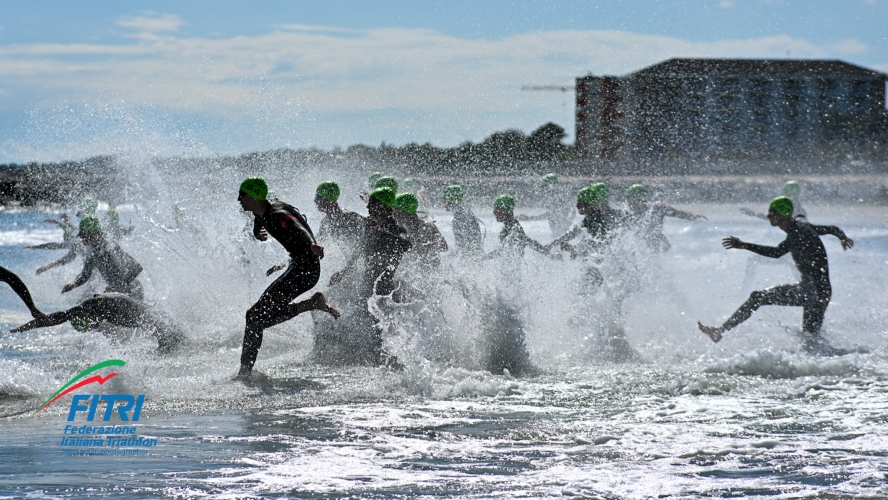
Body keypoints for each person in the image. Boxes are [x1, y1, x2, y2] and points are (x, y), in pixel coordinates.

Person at [697, 196, 853, 351]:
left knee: (810, 340)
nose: (769, 216)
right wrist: (843, 237)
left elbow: (776, 252)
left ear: (782, 214)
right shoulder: (802, 228)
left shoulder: (797, 233)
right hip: (813, 290)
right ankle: (720, 331)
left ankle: (826, 365)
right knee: (807, 338)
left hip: (816, 292)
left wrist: (745, 245)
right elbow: (832, 229)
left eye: (772, 212)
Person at [237, 177, 340, 377]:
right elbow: (261, 218)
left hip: (305, 270)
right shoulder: (264, 209)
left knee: (254, 317)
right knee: (258, 320)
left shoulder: (277, 214)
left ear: (254, 196)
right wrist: (257, 230)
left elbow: (297, 226)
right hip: (298, 266)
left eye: (243, 195)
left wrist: (312, 245)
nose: (239, 199)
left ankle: (244, 373)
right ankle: (310, 304)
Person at [11, 292, 183, 352]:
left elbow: (147, 321)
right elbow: (52, 320)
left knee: (170, 338)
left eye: (92, 325)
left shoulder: (102, 307)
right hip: (139, 312)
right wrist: (25, 328)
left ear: (90, 317)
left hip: (144, 312)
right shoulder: (89, 309)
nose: (95, 327)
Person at [63, 216, 145, 300]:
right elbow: (85, 274)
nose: (79, 235)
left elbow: (137, 267)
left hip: (133, 293)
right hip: (118, 294)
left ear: (92, 233)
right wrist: (73, 284)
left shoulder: (110, 247)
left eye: (82, 232)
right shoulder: (93, 252)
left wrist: (119, 286)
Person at [547, 183, 628, 259]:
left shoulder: (596, 221)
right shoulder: (591, 218)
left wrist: (573, 249)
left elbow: (598, 246)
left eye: (580, 203)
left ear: (591, 205)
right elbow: (574, 232)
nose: (577, 206)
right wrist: (553, 243)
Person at [626, 183, 706, 252]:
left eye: (632, 200)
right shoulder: (628, 214)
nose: (629, 203)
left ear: (641, 200)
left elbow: (674, 213)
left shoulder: (655, 208)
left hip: (649, 252)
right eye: (628, 200)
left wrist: (691, 216)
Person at [484, 194, 550, 262]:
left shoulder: (514, 228)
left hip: (511, 271)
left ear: (506, 211)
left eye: (497, 208)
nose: (494, 212)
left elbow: (503, 251)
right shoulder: (510, 226)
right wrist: (549, 254)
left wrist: (483, 258)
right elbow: (530, 242)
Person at [392, 192, 448, 269]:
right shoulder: (398, 230)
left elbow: (444, 246)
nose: (393, 214)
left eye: (395, 209)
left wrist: (425, 246)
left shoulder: (427, 226)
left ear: (405, 211)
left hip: (430, 272)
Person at [517, 173, 574, 237]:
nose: (543, 190)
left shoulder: (559, 198)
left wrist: (569, 218)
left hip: (561, 233)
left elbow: (572, 209)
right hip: (557, 233)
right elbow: (550, 215)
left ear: (551, 185)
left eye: (544, 187)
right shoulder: (554, 198)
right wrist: (529, 218)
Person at [442, 185, 484, 257]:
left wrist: (447, 256)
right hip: (476, 256)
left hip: (470, 259)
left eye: (444, 199)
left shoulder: (459, 217)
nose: (443, 202)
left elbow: (461, 247)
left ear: (450, 199)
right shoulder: (466, 212)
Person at [740, 180, 807, 220]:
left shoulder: (790, 206)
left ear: (790, 192)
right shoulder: (799, 208)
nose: (783, 193)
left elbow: (774, 218)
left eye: (785, 191)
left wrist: (754, 214)